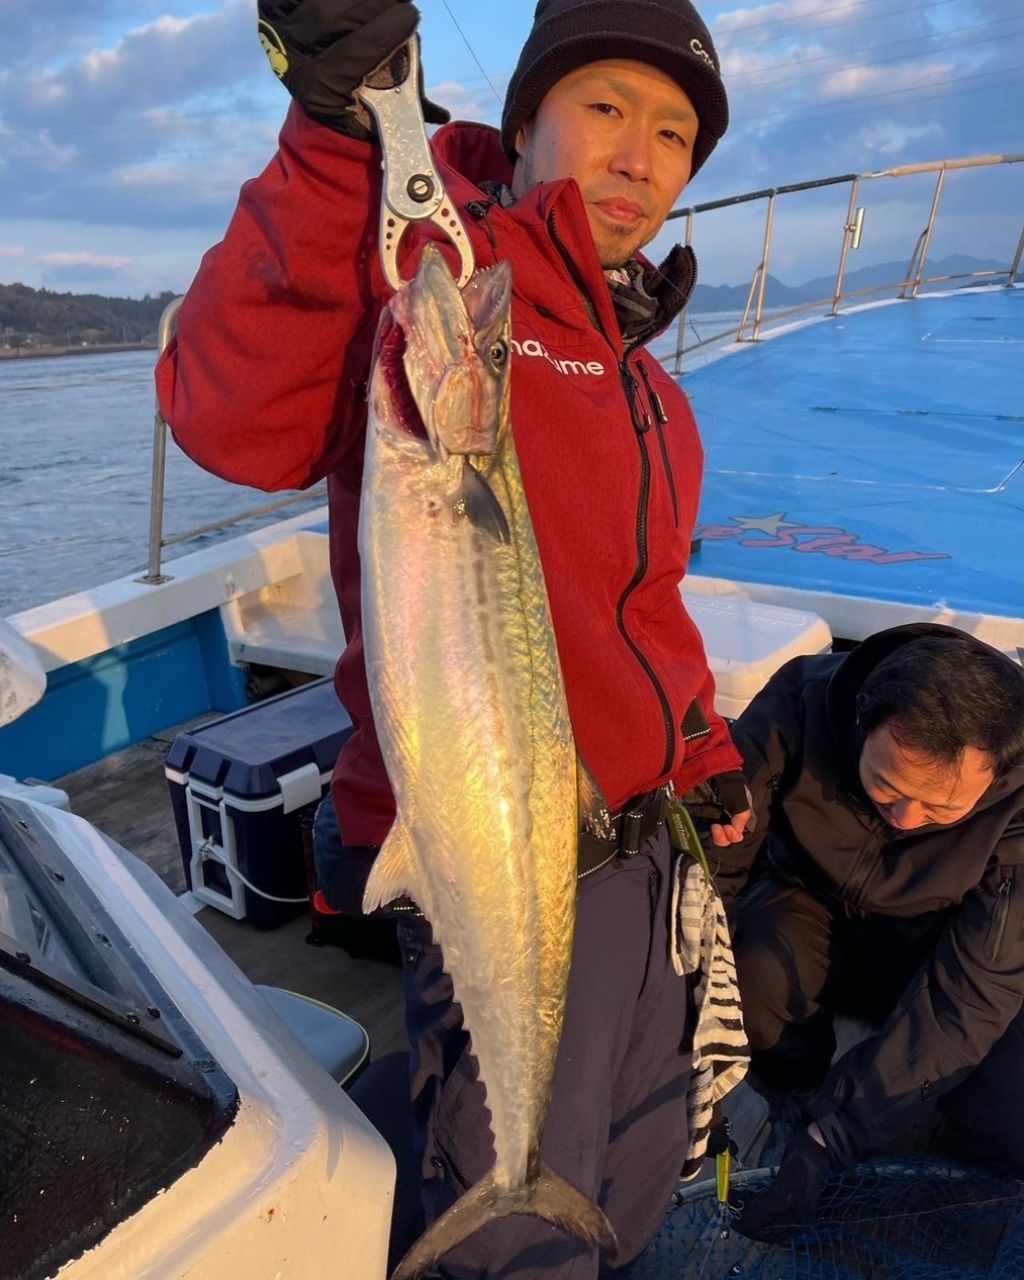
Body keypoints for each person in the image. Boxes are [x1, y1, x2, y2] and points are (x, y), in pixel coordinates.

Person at [157, 1, 752, 1274]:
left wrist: (705, 756)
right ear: (524, 117)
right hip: (496, 839)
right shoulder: (429, 278)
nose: (640, 155)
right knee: (513, 1198)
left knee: (643, 1153)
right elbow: (230, 416)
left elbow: (644, 609)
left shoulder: (656, 392)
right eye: (604, 108)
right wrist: (333, 143)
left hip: (649, 852)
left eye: (674, 133)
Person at [712, 623, 1024, 1242]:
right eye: (886, 785)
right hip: (811, 906)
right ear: (862, 720)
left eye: (939, 809)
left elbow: (975, 994)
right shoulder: (801, 699)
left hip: (940, 946)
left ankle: (903, 1154)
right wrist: (704, 1054)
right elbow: (713, 863)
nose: (905, 818)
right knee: (752, 972)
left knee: (1009, 1118)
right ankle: (792, 1097)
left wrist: (838, 1134)